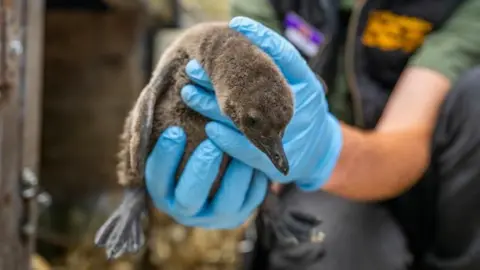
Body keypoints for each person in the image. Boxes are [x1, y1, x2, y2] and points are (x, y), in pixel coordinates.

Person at [144, 0, 480, 269]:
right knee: (331, 244)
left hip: (433, 185)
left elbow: (408, 138)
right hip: (315, 190)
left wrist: (324, 149)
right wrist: (234, 176)